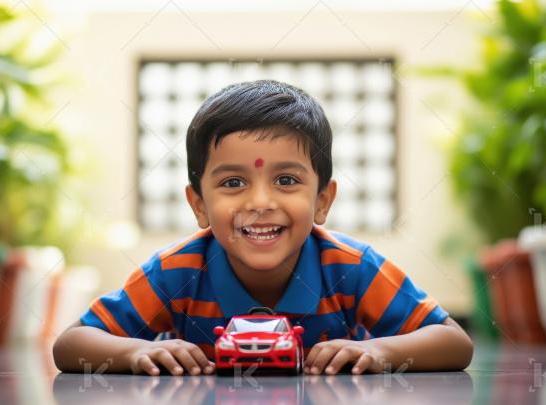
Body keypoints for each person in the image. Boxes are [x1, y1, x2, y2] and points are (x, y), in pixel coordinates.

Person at [53, 80, 473, 376]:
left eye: (286, 180)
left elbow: (454, 342)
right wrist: (135, 351)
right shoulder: (176, 272)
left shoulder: (350, 267)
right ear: (199, 205)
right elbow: (72, 344)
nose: (259, 203)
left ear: (322, 201)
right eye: (233, 183)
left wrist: (380, 350)